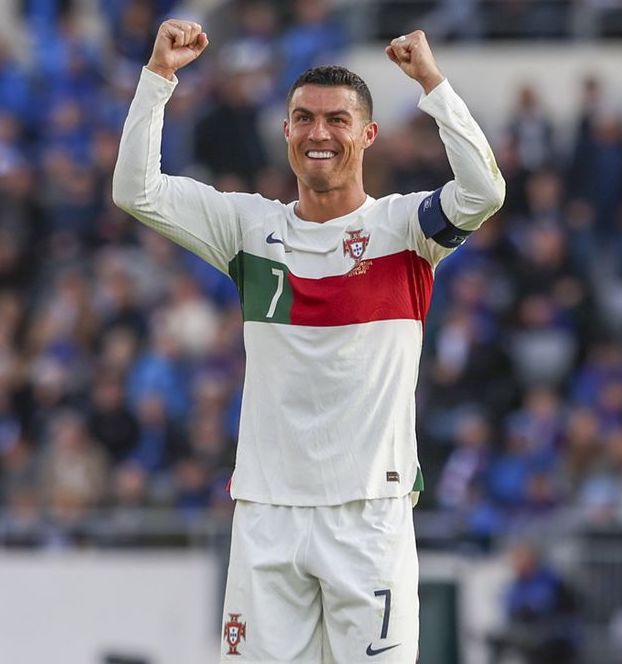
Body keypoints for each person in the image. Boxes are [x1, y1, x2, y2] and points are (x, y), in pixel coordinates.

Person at [113, 18, 505, 663]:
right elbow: (136, 190)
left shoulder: (406, 228)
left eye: (337, 120)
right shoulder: (246, 226)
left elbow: (484, 192)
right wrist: (158, 78)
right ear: (286, 131)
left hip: (368, 513)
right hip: (268, 511)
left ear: (368, 135)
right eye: (303, 118)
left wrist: (432, 84)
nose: (318, 132)